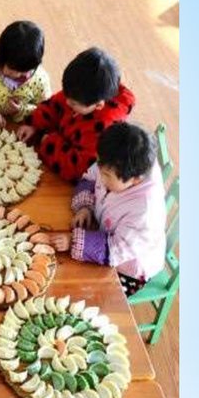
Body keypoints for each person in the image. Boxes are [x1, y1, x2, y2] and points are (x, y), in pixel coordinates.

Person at [46, 122, 166, 295]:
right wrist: (85, 207)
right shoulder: (114, 161)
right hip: (101, 234)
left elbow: (116, 250)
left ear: (135, 180)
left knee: (81, 292)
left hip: (127, 267)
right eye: (100, 168)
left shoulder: (145, 213)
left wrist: (73, 242)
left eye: (107, 176)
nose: (101, 178)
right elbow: (90, 177)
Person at [17, 47, 135, 181]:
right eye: (66, 95)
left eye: (73, 103)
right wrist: (34, 124)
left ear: (98, 105)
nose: (67, 102)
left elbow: (77, 169)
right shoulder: (80, 92)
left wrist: (47, 141)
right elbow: (54, 105)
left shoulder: (102, 130)